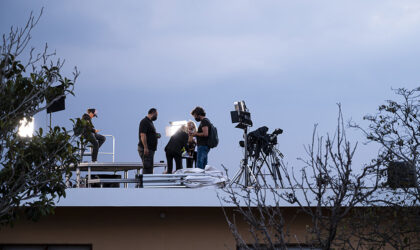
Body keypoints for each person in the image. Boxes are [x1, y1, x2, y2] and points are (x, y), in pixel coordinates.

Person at [138, 108, 159, 174]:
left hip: (150, 149)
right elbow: (143, 135)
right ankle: (145, 183)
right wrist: (145, 148)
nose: (157, 117)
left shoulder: (150, 122)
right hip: (147, 149)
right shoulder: (144, 121)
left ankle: (147, 182)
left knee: (150, 168)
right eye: (156, 115)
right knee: (147, 168)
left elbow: (149, 134)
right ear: (152, 113)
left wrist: (156, 135)